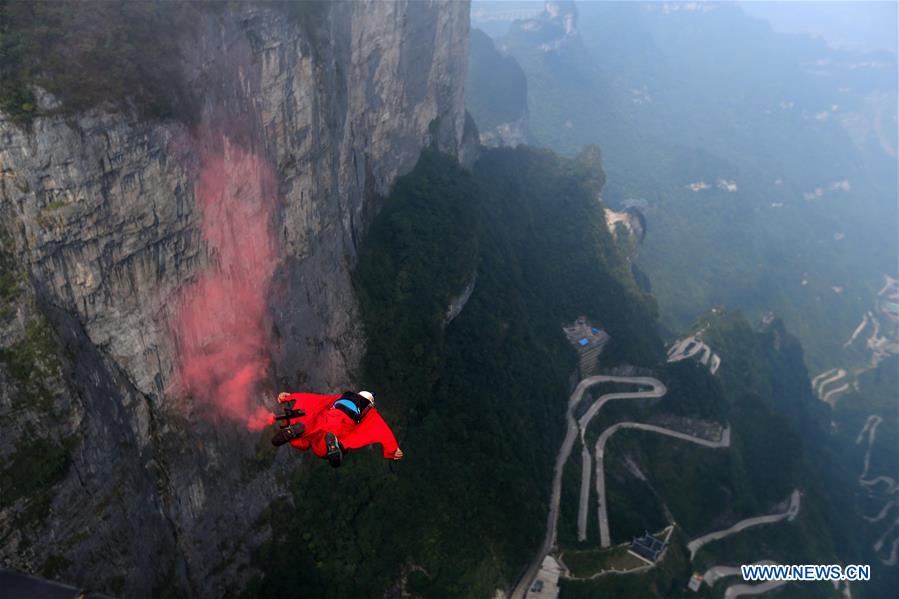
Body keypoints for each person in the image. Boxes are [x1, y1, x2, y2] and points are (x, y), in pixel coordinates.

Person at [271, 389, 403, 467]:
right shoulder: (370, 412)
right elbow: (382, 430)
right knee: (321, 450)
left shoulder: (341, 397)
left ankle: (298, 429)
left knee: (310, 433)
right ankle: (334, 447)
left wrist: (290, 397)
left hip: (330, 415)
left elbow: (316, 399)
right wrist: (393, 449)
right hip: (343, 423)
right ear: (370, 403)